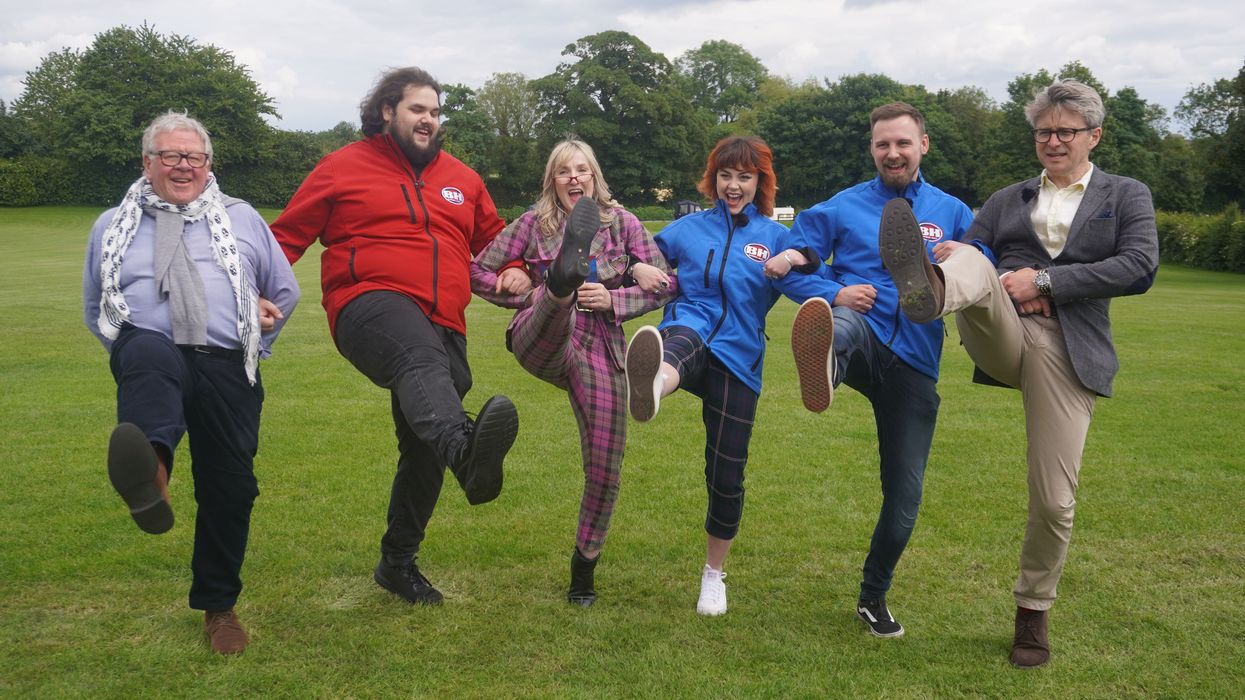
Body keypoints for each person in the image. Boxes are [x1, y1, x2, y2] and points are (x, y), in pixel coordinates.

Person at [878, 80, 1158, 667]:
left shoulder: (1125, 194)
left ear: (1093, 136)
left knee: (1054, 501)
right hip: (1001, 328)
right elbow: (976, 247)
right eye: (1043, 132)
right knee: (969, 257)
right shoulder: (1008, 198)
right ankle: (932, 292)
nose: (1053, 142)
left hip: (1069, 347)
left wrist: (1046, 281)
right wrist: (980, 266)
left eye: (1065, 132)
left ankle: (1033, 610)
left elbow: (1138, 265)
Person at [271, 66, 519, 606]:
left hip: (445, 320)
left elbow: (497, 243)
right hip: (367, 302)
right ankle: (465, 451)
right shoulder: (342, 167)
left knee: (424, 445)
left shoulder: (463, 179)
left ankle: (398, 563)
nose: (429, 120)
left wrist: (517, 267)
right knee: (419, 362)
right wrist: (251, 292)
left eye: (435, 112)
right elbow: (284, 238)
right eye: (417, 109)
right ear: (387, 112)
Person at [83, 111, 300, 655]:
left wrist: (257, 339)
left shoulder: (242, 218)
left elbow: (284, 291)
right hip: (153, 354)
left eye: (194, 156)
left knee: (232, 488)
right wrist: (127, 355)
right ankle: (151, 474)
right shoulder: (112, 224)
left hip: (226, 363)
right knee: (148, 350)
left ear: (208, 164)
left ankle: (218, 607)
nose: (183, 165)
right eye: (170, 156)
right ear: (147, 163)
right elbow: (95, 304)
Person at [768, 102, 975, 637]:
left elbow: (987, 268)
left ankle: (872, 596)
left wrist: (965, 255)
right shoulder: (842, 207)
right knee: (843, 322)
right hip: (863, 331)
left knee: (905, 498)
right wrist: (833, 289)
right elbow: (790, 261)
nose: (892, 153)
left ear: (923, 145)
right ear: (872, 149)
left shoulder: (953, 211)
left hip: (916, 361)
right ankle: (828, 365)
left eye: (902, 143)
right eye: (883, 144)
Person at [470, 139, 674, 606]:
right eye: (564, 171)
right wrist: (521, 286)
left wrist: (616, 297)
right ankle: (560, 282)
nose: (574, 177)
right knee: (556, 299)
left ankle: (584, 567)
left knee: (605, 467)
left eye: (582, 170)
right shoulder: (531, 224)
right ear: (553, 181)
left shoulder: (624, 223)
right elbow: (476, 272)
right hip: (542, 331)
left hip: (600, 344)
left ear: (594, 177)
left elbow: (667, 283)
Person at [625, 135, 817, 616]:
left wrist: (793, 258)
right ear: (713, 180)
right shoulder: (687, 229)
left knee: (726, 474)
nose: (734, 185)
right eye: (725, 175)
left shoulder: (774, 236)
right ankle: (651, 385)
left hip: (740, 356)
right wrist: (637, 268)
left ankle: (714, 575)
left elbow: (814, 261)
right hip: (690, 325)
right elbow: (634, 255)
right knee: (680, 344)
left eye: (744, 177)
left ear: (759, 182)